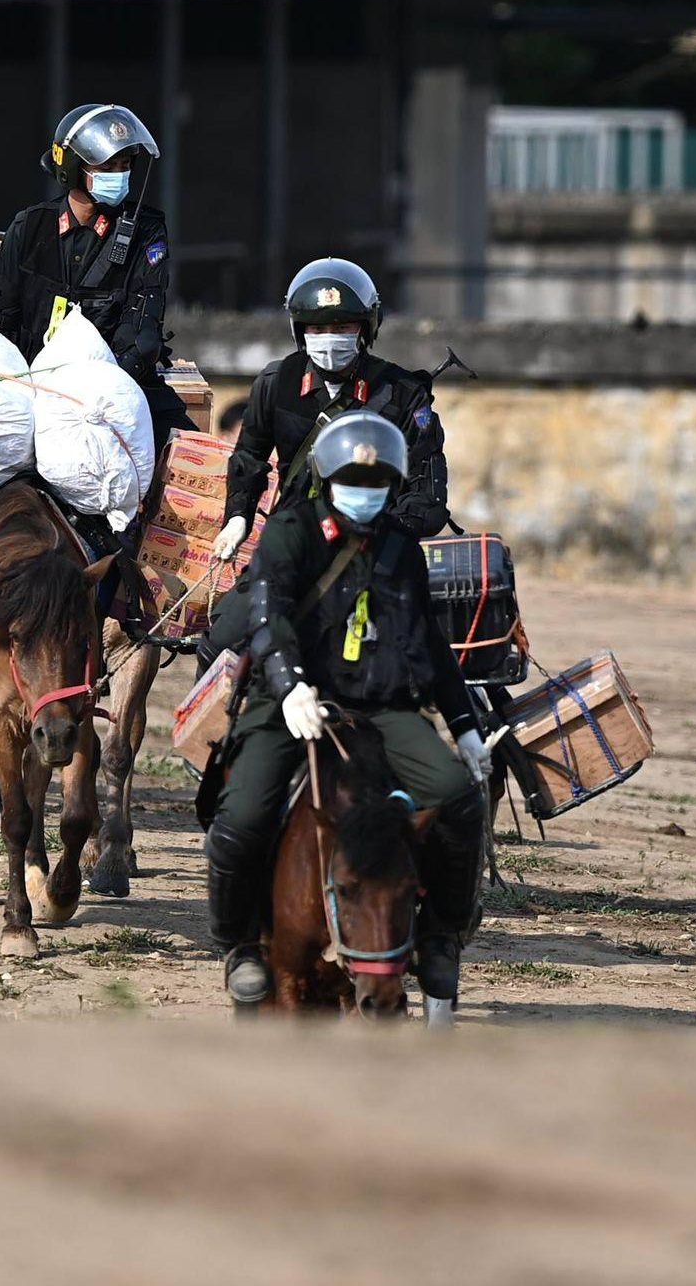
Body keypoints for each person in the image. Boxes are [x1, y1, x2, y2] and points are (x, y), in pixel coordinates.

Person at [202, 409, 489, 1015]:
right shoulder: (290, 532)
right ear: (326, 480)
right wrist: (287, 686)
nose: (366, 495)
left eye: (379, 485)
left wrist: (464, 727)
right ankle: (239, 948)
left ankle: (440, 937)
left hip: (382, 707)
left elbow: (427, 643)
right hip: (295, 705)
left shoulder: (400, 548)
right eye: (355, 483)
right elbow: (267, 612)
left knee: (459, 797)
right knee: (242, 818)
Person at [212, 256, 447, 563]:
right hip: (295, 541)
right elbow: (249, 457)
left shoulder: (404, 394)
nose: (329, 338)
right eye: (318, 328)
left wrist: (386, 534)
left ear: (365, 328)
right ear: (301, 330)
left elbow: (426, 490)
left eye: (342, 326)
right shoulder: (277, 382)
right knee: (234, 612)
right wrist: (237, 518)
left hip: (378, 545)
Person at [0, 103, 193, 449]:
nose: (119, 174)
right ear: (73, 168)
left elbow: (143, 333)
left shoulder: (147, 232)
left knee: (190, 451)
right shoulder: (29, 226)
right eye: (107, 166)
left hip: (113, 387)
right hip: (30, 385)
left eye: (125, 166)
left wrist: (103, 390)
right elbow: (3, 320)